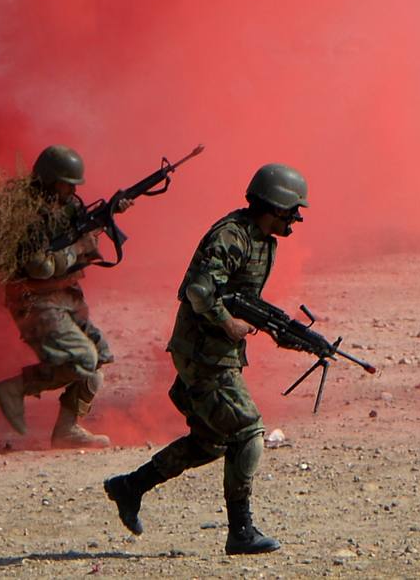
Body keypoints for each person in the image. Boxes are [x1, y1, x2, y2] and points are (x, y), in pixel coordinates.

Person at [103, 163, 309, 556]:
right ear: (274, 205)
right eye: (291, 210)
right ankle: (241, 532)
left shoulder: (263, 241)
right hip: (201, 351)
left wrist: (282, 330)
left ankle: (130, 486)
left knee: (212, 441)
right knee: (248, 431)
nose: (296, 218)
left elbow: (241, 295)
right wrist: (228, 324)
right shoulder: (230, 236)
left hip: (219, 352)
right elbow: (199, 292)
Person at [0, 145, 129, 448]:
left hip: (65, 296)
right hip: (35, 301)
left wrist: (111, 214)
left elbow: (77, 230)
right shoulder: (27, 216)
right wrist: (79, 248)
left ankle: (67, 430)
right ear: (49, 180)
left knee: (99, 356)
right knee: (83, 358)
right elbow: (39, 266)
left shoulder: (65, 207)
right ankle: (15, 388)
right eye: (66, 183)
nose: (71, 190)